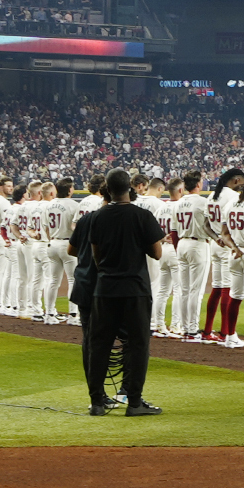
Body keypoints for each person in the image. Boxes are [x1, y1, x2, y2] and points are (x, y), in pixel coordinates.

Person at [66, 169, 165, 416]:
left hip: (105, 287)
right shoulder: (142, 215)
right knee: (138, 344)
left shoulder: (96, 217)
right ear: (130, 187)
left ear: (106, 190)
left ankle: (97, 402)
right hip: (135, 287)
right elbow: (157, 253)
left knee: (98, 344)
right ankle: (134, 402)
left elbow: (95, 254)